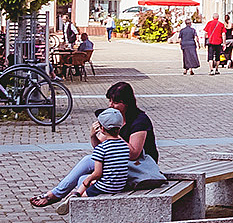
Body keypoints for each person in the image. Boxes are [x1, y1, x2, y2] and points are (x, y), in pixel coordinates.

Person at [31, 82, 164, 206]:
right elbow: (101, 150)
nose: (111, 105)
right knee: (83, 179)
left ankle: (55, 195)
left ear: (127, 103)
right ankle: (77, 207)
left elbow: (134, 154)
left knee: (88, 162)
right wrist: (93, 136)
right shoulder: (112, 117)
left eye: (116, 102)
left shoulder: (139, 121)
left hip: (140, 166)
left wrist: (114, 136)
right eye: (110, 101)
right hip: (120, 164)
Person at [74, 109, 133, 197]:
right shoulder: (125, 146)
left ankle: (76, 196)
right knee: (90, 182)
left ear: (102, 128)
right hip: (119, 186)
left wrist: (88, 179)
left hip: (105, 187)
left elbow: (97, 173)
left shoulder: (101, 148)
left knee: (85, 183)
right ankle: (76, 194)